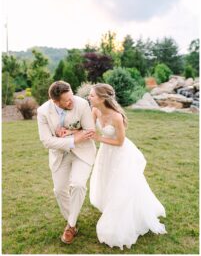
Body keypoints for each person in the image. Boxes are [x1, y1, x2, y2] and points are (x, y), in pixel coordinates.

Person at [88, 83, 167, 250]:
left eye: (92, 95)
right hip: (105, 153)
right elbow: (87, 127)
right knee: (106, 180)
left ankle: (120, 217)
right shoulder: (95, 111)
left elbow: (119, 141)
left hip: (120, 154)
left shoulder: (116, 117)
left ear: (102, 99)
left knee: (121, 186)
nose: (89, 97)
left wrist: (98, 138)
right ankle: (109, 207)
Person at [37, 81, 96, 244]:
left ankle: (70, 226)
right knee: (59, 190)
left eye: (72, 97)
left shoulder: (82, 104)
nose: (72, 101)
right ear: (55, 101)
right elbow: (47, 141)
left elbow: (90, 130)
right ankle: (73, 219)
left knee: (78, 184)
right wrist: (73, 139)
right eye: (67, 100)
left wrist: (70, 133)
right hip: (59, 155)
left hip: (83, 152)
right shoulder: (43, 112)